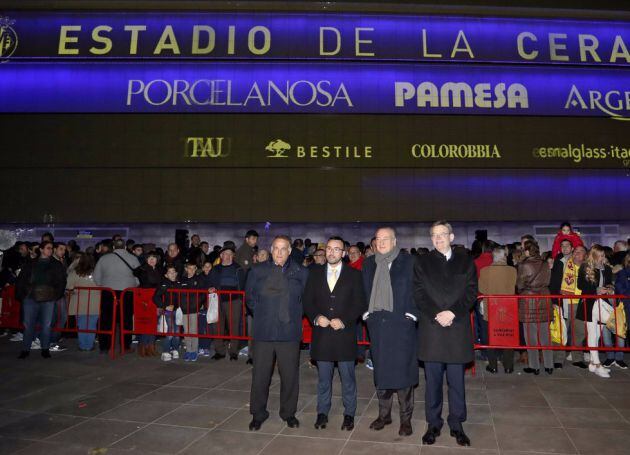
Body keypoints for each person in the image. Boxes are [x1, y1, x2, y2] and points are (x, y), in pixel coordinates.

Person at [414, 221, 477, 447]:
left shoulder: (465, 261)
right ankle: (433, 423)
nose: (438, 238)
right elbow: (419, 293)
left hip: (456, 328)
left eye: (442, 234)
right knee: (432, 382)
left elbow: (471, 292)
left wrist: (452, 312)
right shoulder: (423, 262)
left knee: (456, 382)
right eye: (434, 235)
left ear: (451, 237)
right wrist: (437, 314)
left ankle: (457, 423)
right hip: (432, 330)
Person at [245, 235, 308, 431]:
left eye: (284, 249)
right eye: (276, 249)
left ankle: (288, 413)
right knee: (260, 375)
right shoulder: (257, 271)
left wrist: (293, 314)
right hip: (264, 331)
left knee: (290, 376)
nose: (279, 252)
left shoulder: (301, 272)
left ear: (290, 251)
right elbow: (250, 298)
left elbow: (305, 300)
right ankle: (258, 413)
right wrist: (265, 313)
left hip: (289, 333)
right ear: (271, 251)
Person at [303, 236, 366, 431]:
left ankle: (349, 414)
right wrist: (315, 317)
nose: (331, 252)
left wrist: (345, 320)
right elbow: (307, 301)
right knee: (323, 379)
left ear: (343, 253)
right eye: (329, 248)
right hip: (322, 335)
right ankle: (322, 412)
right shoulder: (314, 273)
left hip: (344, 335)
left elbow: (360, 303)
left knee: (348, 378)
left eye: (336, 249)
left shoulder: (354, 275)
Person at [362, 227, 418, 437]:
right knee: (382, 373)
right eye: (378, 239)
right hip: (378, 326)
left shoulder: (409, 262)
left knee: (403, 375)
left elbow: (418, 290)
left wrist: (412, 314)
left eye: (386, 238)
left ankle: (406, 419)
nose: (382, 242)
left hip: (401, 326)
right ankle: (384, 415)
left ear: (395, 241)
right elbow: (363, 291)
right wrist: (366, 314)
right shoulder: (369, 263)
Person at [15, 241, 66, 359]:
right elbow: (22, 279)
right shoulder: (31, 263)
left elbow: (61, 281)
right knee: (28, 324)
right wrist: (22, 295)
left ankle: (45, 348)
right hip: (31, 297)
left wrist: (56, 295)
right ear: (42, 249)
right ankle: (25, 349)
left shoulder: (56, 264)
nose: (50, 250)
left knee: (46, 325)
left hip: (48, 298)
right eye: (48, 248)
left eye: (51, 248)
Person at [93, 238, 140, 353]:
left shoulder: (103, 259)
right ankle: (125, 346)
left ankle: (104, 347)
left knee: (106, 320)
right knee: (126, 319)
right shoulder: (133, 258)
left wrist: (102, 284)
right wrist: (134, 284)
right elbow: (139, 277)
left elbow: (96, 277)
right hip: (127, 293)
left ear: (113, 247)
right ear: (124, 247)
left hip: (108, 292)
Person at [576, 245, 614, 378]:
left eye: (604, 255)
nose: (603, 258)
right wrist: (596, 290)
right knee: (593, 333)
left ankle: (592, 363)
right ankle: (597, 364)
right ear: (594, 255)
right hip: (590, 303)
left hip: (602, 303)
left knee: (597, 334)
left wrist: (609, 288)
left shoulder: (607, 268)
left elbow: (609, 283)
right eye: (600, 255)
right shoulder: (585, 267)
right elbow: (580, 285)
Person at [478, 246, 517, 374]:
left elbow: (482, 289)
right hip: (508, 307)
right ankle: (508, 366)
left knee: (490, 336)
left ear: (493, 257)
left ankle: (493, 365)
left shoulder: (484, 271)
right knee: (508, 335)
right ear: (504, 256)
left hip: (491, 307)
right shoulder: (512, 270)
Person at [517, 240, 553, 375]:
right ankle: (549, 365)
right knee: (545, 333)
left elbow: (519, 284)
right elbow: (548, 280)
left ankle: (534, 366)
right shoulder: (545, 263)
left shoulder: (524, 265)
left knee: (530, 333)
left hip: (529, 299)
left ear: (527, 251)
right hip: (544, 297)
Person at [207, 245, 246, 360]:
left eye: (230, 254)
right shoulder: (215, 269)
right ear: (221, 255)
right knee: (217, 326)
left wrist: (241, 300)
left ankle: (233, 351)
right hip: (217, 300)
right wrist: (210, 288)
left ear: (233, 256)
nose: (228, 256)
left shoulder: (238, 268)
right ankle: (220, 351)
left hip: (234, 301)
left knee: (234, 326)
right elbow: (208, 283)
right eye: (226, 254)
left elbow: (243, 285)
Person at [66, 252, 100, 351]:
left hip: (78, 302)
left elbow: (68, 286)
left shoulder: (74, 272)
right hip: (95, 302)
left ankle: (83, 345)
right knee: (92, 325)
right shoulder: (96, 273)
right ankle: (89, 345)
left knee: (81, 324)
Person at [135, 251, 163, 357]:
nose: (152, 259)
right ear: (146, 259)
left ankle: (151, 346)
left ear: (157, 259)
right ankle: (143, 347)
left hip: (156, 299)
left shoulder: (159, 269)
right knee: (145, 323)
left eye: (154, 257)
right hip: (145, 299)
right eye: (149, 257)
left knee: (153, 323)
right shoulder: (142, 269)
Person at [153, 265, 182, 361]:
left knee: (177, 332)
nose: (172, 274)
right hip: (168, 312)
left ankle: (175, 349)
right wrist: (165, 306)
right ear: (166, 275)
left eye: (174, 272)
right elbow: (155, 297)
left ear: (176, 273)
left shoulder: (179, 283)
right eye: (170, 272)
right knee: (170, 331)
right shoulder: (164, 284)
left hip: (177, 311)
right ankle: (165, 351)